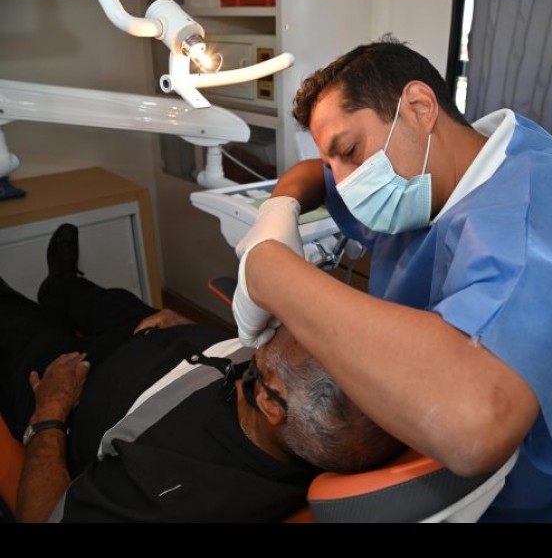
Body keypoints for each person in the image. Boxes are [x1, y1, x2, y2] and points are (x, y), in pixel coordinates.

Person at [232, 36, 552, 522]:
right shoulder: (440, 174)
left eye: (349, 150)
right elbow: (313, 173)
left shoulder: (536, 218)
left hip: (512, 495)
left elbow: (475, 428)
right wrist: (279, 208)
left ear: (419, 107)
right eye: (336, 162)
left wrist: (271, 272)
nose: (344, 184)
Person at [0, 224, 402, 523]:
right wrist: (197, 335)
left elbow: (45, 518)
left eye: (278, 332)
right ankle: (62, 285)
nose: (275, 326)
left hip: (79, 380)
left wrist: (48, 415)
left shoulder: (168, 489)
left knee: (17, 324)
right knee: (109, 302)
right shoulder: (313, 404)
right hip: (164, 336)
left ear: (268, 401)